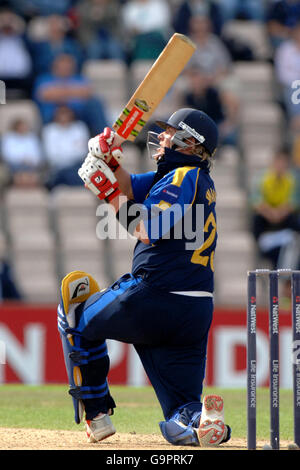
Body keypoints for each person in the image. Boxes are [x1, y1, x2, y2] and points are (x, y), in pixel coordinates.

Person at [57, 108, 231, 447]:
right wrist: (106, 159)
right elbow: (126, 188)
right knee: (181, 407)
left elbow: (148, 228)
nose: (162, 137)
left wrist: (108, 193)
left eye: (170, 132)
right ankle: (205, 423)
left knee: (75, 310)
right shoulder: (186, 177)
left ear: (191, 144)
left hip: (156, 296)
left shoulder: (182, 178)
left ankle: (97, 416)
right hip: (194, 311)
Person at [33, 53, 108, 135]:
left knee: (95, 103)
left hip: (77, 111)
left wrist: (59, 92)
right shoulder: (44, 78)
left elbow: (87, 93)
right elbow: (44, 95)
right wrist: (73, 92)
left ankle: (107, 138)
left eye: (68, 66)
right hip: (54, 110)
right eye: (62, 66)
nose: (66, 68)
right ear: (55, 66)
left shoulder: (79, 78)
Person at [250, 148, 300, 269]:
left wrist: (280, 213)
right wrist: (271, 213)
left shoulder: (292, 179)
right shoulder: (262, 178)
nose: (281, 166)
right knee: (256, 219)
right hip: (267, 217)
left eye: (284, 163)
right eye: (279, 162)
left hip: (284, 217)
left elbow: (294, 202)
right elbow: (256, 201)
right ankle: (262, 246)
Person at [42, 105, 90, 189]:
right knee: (65, 175)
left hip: (77, 167)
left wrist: (65, 155)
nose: (64, 116)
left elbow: (82, 152)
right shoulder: (49, 130)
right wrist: (72, 153)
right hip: (58, 168)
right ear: (56, 115)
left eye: (66, 113)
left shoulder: (79, 127)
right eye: (61, 113)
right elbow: (52, 156)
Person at [1, 118, 43, 187]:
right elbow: (7, 155)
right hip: (13, 166)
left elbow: (38, 156)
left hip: (31, 165)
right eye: (21, 126)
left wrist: (30, 160)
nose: (23, 128)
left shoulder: (32, 138)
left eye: (24, 126)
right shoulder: (8, 138)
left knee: (33, 172)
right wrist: (21, 160)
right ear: (16, 127)